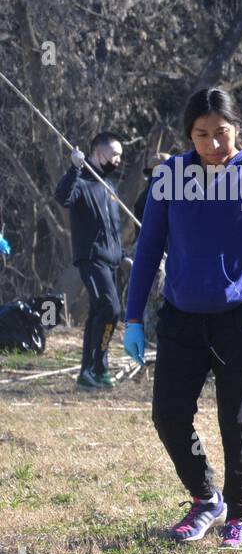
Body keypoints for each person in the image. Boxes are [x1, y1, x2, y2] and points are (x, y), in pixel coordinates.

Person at [122, 88, 242, 550]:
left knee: (237, 420)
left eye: (220, 134)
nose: (212, 145)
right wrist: (132, 318)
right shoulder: (169, 177)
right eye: (201, 135)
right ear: (189, 135)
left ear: (235, 129)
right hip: (182, 315)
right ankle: (206, 497)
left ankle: (240, 515)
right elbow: (147, 252)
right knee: (167, 414)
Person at [53, 132, 126, 391]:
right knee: (111, 309)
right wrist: (74, 167)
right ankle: (99, 367)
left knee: (99, 313)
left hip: (111, 260)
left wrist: (122, 254)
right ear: (98, 153)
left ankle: (87, 372)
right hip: (92, 258)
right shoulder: (83, 181)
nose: (118, 159)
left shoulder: (108, 186)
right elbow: (62, 197)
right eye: (114, 154)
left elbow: (112, 227)